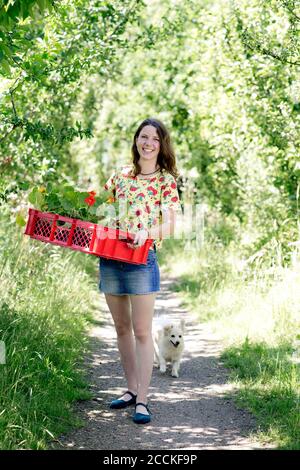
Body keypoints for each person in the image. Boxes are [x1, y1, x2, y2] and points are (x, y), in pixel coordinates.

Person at [99, 118, 181, 424]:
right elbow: (97, 206)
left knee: (143, 331)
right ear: (136, 140)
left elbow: (171, 223)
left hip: (142, 260)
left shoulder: (165, 181)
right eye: (143, 137)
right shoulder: (121, 175)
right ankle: (131, 389)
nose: (147, 143)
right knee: (122, 329)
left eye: (154, 139)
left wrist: (146, 232)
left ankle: (143, 401)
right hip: (110, 258)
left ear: (161, 146)